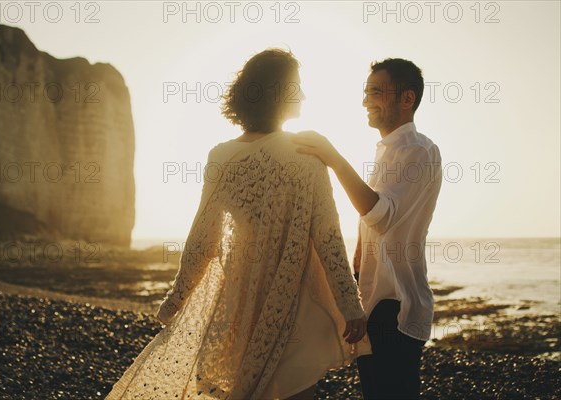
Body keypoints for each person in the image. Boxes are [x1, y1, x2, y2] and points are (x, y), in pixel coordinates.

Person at [105, 48, 371, 400]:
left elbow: (203, 238)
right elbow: (328, 237)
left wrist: (175, 301)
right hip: (293, 299)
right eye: (297, 87)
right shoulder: (307, 155)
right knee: (294, 389)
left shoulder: (221, 156)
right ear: (278, 92)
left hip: (239, 302)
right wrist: (350, 305)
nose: (304, 95)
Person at [292, 58, 442, 399]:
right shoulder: (387, 151)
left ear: (407, 99)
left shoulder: (419, 150)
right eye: (365, 92)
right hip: (374, 300)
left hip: (397, 306)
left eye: (376, 91)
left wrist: (333, 158)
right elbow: (373, 226)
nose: (365, 101)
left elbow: (381, 215)